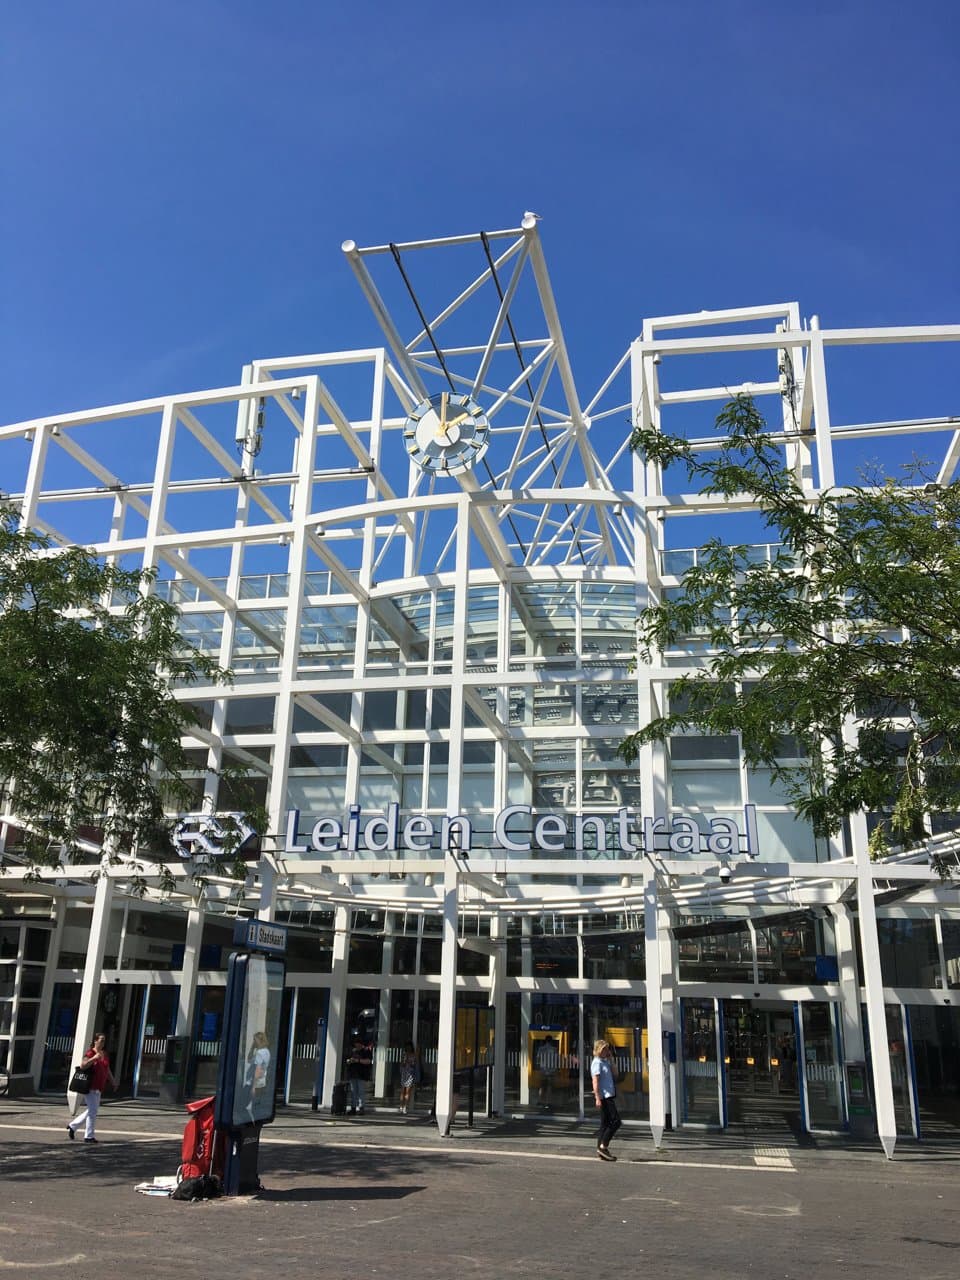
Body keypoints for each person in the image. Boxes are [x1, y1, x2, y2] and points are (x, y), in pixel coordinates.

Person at [66, 1032, 116, 1144]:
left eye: (104, 1040)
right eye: (101, 1040)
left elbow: (107, 1069)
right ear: (95, 1041)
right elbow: (83, 1065)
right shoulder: (90, 1052)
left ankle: (72, 1126)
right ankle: (89, 1136)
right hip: (90, 1086)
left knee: (91, 1110)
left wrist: (113, 1081)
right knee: (93, 1112)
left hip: (99, 1086)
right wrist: (94, 1058)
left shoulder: (104, 1053)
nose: (103, 1042)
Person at [590, 1038, 621, 1162]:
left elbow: (616, 1074)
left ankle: (600, 1150)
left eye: (607, 1049)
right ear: (598, 1050)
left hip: (609, 1094)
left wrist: (611, 1059)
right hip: (604, 1096)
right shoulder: (596, 1063)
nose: (606, 1051)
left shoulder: (605, 1061)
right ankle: (604, 1145)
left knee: (605, 1124)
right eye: (604, 1049)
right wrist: (597, 1097)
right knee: (616, 1121)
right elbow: (595, 1081)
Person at [244, 1030, 271, 1118]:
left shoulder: (260, 1053)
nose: (253, 1042)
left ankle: (251, 1123)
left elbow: (258, 1069)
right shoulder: (266, 1051)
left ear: (259, 1041)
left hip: (253, 1082)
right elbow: (249, 1059)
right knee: (255, 1105)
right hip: (262, 1082)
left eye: (254, 1040)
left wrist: (253, 1086)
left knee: (244, 1105)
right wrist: (252, 1048)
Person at [345, 1035, 373, 1114]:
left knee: (361, 1091)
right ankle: (353, 1108)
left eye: (358, 1044)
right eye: (356, 1044)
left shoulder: (366, 1051)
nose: (357, 1046)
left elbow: (368, 1061)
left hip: (361, 1074)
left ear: (361, 1044)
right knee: (353, 1091)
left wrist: (358, 1060)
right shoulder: (353, 1051)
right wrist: (349, 1061)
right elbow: (347, 1060)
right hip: (353, 1074)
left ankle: (361, 1108)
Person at [535, 1035, 560, 1111]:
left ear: (545, 1040)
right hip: (551, 1071)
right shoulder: (554, 1049)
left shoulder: (540, 1049)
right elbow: (556, 1060)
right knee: (549, 1087)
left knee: (542, 1086)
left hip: (543, 1070)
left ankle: (540, 1101)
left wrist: (539, 1068)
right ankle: (548, 1103)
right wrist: (556, 1070)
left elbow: (538, 1059)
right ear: (551, 1041)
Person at [398, 1041, 420, 1115]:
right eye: (407, 1047)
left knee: (407, 1091)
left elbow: (415, 1062)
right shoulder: (404, 1055)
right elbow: (401, 1064)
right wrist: (405, 1062)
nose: (408, 1048)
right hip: (404, 1073)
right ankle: (401, 1106)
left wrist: (410, 1063)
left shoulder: (413, 1055)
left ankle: (404, 1107)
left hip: (410, 1074)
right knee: (402, 1091)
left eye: (409, 1046)